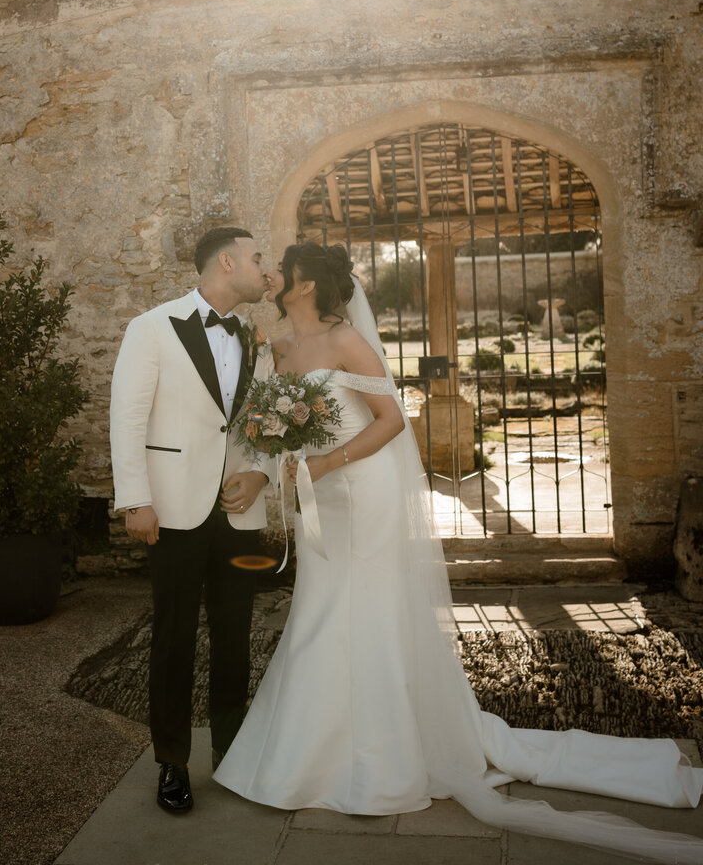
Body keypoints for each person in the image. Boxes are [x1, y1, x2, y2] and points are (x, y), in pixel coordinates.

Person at [214, 241, 703, 863]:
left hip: (364, 491)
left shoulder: (344, 342)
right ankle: (314, 751)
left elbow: (391, 420)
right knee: (319, 609)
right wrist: (277, 465)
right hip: (324, 501)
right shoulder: (275, 347)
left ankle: (376, 760)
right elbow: (266, 425)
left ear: (308, 285)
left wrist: (324, 461)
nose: (276, 273)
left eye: (285, 266)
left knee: (361, 611)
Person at [110, 226, 274, 816]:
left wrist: (260, 474)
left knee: (236, 639)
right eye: (258, 258)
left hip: (239, 511)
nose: (266, 269)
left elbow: (268, 423)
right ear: (226, 263)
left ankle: (231, 754)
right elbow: (127, 418)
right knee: (173, 639)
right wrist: (135, 499)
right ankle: (172, 763)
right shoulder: (151, 328)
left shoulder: (258, 339)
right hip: (172, 509)